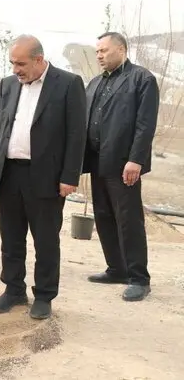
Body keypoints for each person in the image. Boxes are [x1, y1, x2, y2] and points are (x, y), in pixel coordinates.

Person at [0, 34, 87, 320]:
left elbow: (77, 135)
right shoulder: (7, 85)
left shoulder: (68, 84)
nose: (15, 69)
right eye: (12, 63)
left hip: (47, 177)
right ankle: (13, 290)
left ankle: (44, 296)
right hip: (10, 174)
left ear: (39, 60)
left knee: (45, 241)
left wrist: (70, 176)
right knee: (11, 239)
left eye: (20, 63)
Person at [83, 32, 159, 302]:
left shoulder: (141, 79)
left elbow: (145, 124)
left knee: (128, 220)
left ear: (121, 49)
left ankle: (139, 278)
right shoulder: (93, 84)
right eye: (97, 52)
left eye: (104, 50)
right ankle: (117, 269)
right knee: (103, 216)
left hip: (123, 163)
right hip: (96, 161)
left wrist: (136, 159)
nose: (99, 55)